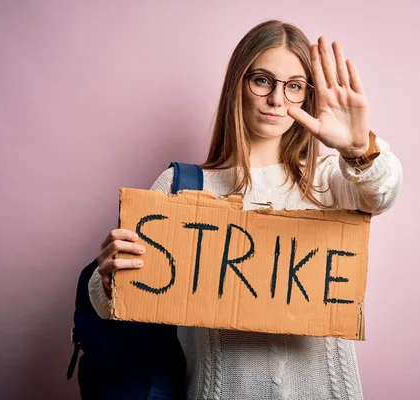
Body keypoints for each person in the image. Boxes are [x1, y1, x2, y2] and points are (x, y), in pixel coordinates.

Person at [90, 19, 402, 399]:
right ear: (238, 83)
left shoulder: (332, 178)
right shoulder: (183, 186)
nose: (277, 100)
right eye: (263, 80)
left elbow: (383, 192)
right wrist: (109, 277)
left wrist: (356, 151)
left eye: (294, 87)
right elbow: (110, 302)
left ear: (307, 95)